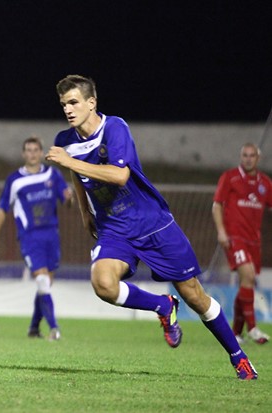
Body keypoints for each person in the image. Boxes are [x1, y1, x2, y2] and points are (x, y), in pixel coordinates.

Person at [45, 74, 258, 380]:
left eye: (74, 102)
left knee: (195, 296)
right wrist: (84, 213)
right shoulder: (64, 140)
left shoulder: (114, 127)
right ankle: (161, 305)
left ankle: (238, 357)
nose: (68, 108)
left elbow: (119, 176)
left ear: (92, 103)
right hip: (114, 229)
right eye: (64, 103)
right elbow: (77, 177)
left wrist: (70, 162)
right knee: (103, 283)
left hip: (153, 224)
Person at [0, 136, 72, 340]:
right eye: (28, 150)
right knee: (42, 279)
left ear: (41, 153)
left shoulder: (53, 174)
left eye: (35, 150)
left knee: (46, 284)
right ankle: (54, 328)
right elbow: (2, 208)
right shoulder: (15, 180)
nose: (32, 154)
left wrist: (70, 199)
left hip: (51, 234)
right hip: (29, 236)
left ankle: (34, 328)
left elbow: (66, 200)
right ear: (23, 154)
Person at [212, 143, 272, 344]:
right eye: (245, 155)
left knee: (246, 283)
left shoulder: (265, 183)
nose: (248, 159)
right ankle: (253, 328)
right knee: (246, 275)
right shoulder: (229, 178)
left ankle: (235, 334)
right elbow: (216, 206)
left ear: (258, 158)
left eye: (252, 155)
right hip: (234, 237)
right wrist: (221, 231)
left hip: (253, 240)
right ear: (241, 156)